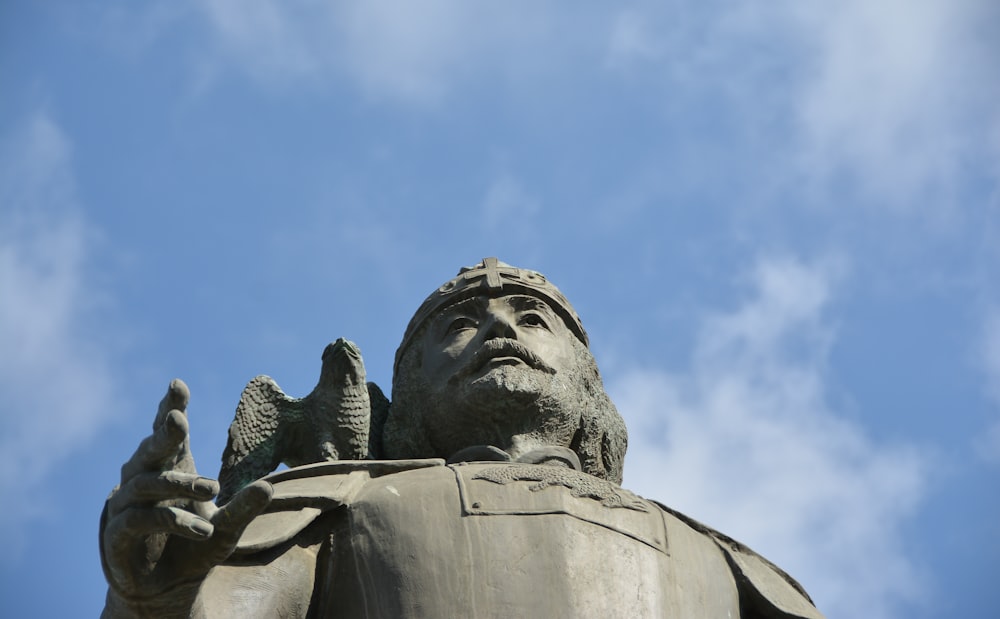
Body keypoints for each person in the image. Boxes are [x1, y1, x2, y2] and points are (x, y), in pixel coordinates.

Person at [100, 258, 825, 618]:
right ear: (409, 388)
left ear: (589, 383)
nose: (500, 328)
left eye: (533, 317)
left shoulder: (728, 567)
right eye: (459, 326)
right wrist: (150, 593)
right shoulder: (336, 507)